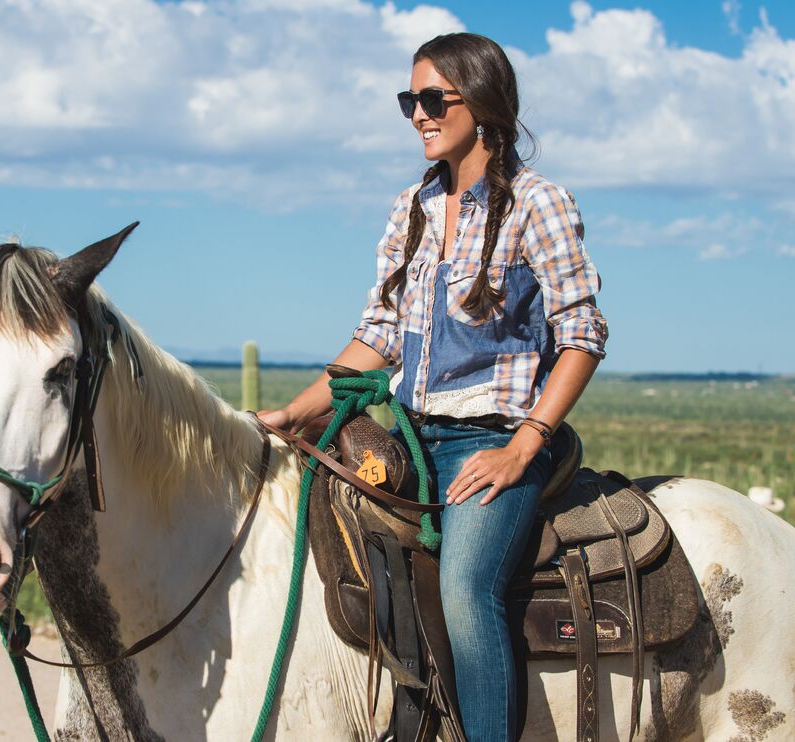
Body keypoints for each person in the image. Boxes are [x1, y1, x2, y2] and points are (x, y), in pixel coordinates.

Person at [259, 32, 607, 742]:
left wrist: (524, 446)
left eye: (430, 99)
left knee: (465, 590)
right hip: (408, 437)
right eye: (407, 101)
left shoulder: (537, 205)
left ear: (480, 103)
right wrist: (293, 411)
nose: (416, 115)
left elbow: (583, 333)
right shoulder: (410, 209)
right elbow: (378, 338)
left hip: (494, 439)